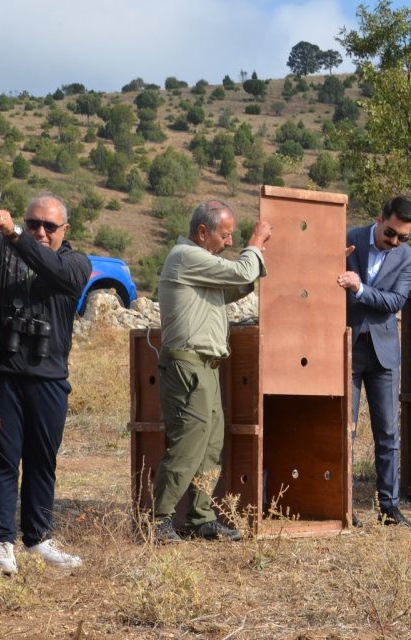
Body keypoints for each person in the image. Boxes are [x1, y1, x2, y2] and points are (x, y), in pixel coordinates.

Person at [0, 195, 90, 575]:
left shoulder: (77, 264)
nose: (40, 232)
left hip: (49, 378)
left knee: (43, 462)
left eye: (49, 226)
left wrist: (14, 235)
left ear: (66, 230)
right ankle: (1, 540)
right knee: (5, 461)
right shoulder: (6, 250)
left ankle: (39, 538)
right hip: (7, 376)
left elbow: (53, 270)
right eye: (33, 224)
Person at [151, 200, 271, 543]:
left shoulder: (201, 265)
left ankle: (200, 518)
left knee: (211, 446)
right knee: (189, 444)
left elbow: (240, 283)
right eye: (225, 234)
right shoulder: (185, 257)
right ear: (203, 232)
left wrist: (259, 257)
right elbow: (241, 272)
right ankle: (159, 521)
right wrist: (256, 243)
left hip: (204, 367)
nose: (229, 242)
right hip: (188, 366)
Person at [337, 196, 411, 527]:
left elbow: (396, 301)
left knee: (387, 432)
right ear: (379, 218)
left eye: (403, 237)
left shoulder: (407, 257)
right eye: (390, 233)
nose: (395, 242)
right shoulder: (347, 238)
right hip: (346, 347)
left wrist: (358, 289)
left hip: (384, 353)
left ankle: (389, 506)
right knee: (347, 430)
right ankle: (343, 505)